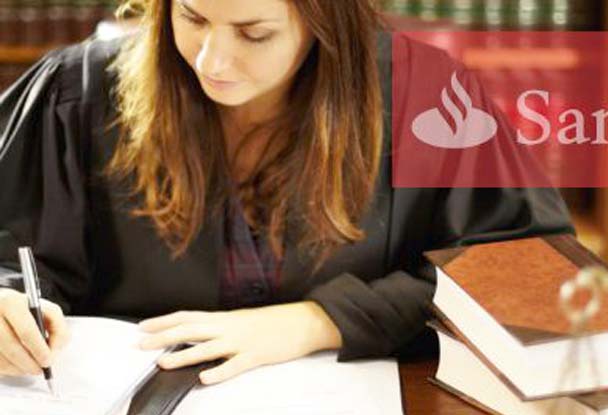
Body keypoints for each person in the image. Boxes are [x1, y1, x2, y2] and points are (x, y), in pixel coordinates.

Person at [0, 0, 574, 385]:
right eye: (192, 17)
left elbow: (529, 271)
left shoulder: (427, 97)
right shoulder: (76, 92)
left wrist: (321, 322)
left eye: (255, 33)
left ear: (326, 20)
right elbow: (13, 257)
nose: (211, 60)